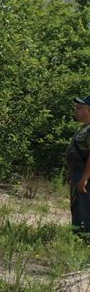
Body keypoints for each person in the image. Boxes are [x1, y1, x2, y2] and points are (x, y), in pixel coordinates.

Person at [66, 96, 90, 238]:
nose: (76, 111)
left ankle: (83, 239)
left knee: (83, 209)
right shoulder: (85, 128)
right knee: (77, 207)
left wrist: (84, 178)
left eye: (79, 108)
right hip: (78, 173)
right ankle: (79, 237)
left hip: (84, 174)